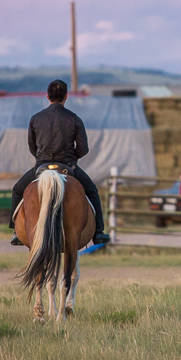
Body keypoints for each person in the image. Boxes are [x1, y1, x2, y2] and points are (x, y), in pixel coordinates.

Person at [8, 79, 108, 246]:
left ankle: (17, 232)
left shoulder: (35, 118)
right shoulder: (74, 119)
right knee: (92, 191)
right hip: (68, 167)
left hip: (41, 166)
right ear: (66, 97)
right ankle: (98, 232)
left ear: (47, 96)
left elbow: (31, 146)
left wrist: (41, 159)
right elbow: (83, 148)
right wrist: (71, 160)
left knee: (18, 190)